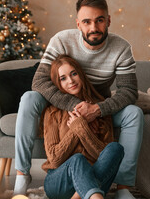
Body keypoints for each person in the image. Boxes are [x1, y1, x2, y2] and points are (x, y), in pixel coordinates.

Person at [13, 0, 144, 199]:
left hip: (98, 107)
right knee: (29, 97)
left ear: (108, 20)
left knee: (133, 113)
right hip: (60, 102)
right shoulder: (62, 40)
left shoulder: (121, 48)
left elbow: (129, 92)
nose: (93, 28)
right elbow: (39, 82)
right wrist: (78, 106)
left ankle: (123, 188)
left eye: (99, 20)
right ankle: (21, 174)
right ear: (78, 24)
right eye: (87, 22)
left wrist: (97, 109)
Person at [42, 55, 124, 199]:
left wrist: (81, 127)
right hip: (59, 182)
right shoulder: (52, 112)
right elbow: (54, 159)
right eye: (63, 78)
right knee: (77, 159)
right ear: (58, 83)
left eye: (74, 74)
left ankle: (81, 196)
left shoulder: (99, 108)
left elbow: (103, 156)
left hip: (93, 177)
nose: (71, 81)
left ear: (81, 75)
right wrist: (77, 127)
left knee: (115, 149)